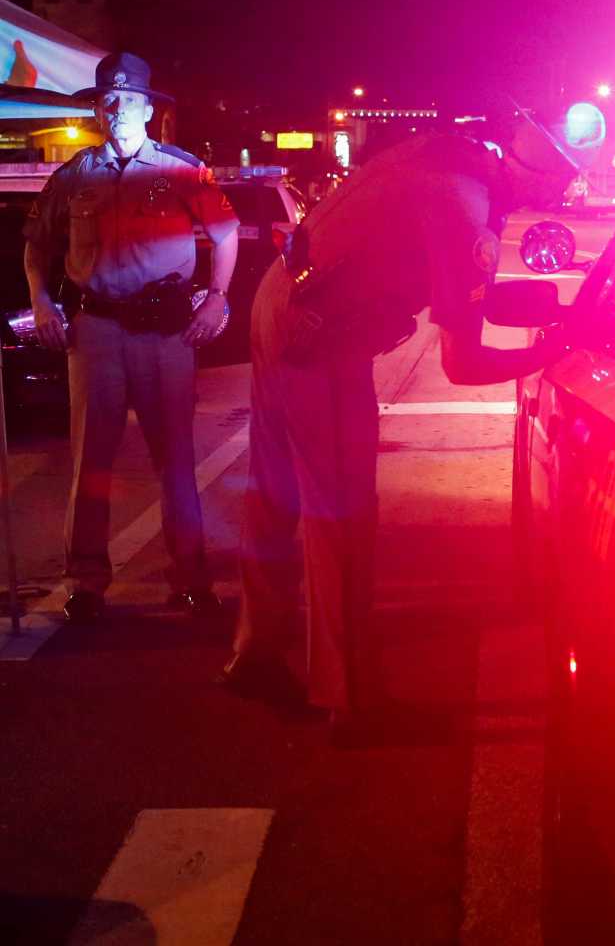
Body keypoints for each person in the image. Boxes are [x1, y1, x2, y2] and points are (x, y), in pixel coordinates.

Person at [219, 112, 578, 736]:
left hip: (277, 303)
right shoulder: (468, 209)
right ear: (533, 181)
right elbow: (462, 363)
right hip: (320, 336)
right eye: (555, 192)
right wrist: (551, 352)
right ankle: (350, 695)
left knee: (271, 496)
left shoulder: (439, 160)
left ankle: (254, 651)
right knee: (342, 516)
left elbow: (420, 272)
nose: (554, 203)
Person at [23, 52, 240, 623]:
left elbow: (226, 232)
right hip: (95, 331)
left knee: (176, 460)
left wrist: (217, 297)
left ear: (149, 109)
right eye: (107, 101)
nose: (117, 109)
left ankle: (190, 579)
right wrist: (42, 301)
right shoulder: (74, 176)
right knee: (90, 462)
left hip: (164, 333)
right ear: (99, 109)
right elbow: (36, 247)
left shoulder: (180, 168)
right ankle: (86, 583)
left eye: (128, 100)